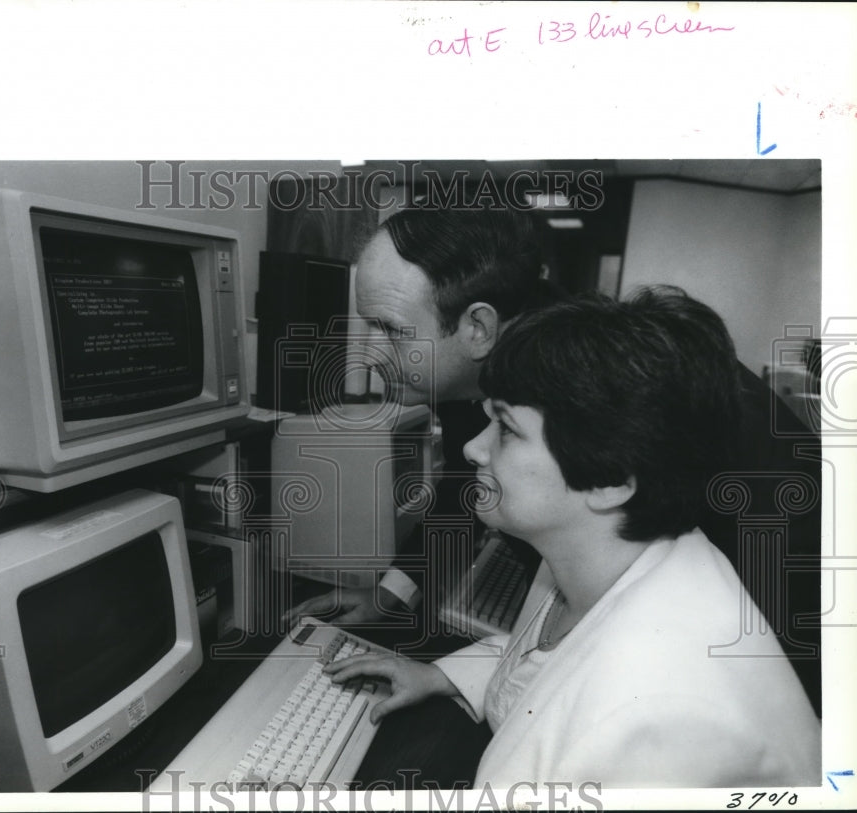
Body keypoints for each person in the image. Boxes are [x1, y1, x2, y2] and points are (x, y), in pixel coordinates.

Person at [325, 287, 822, 787]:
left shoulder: (654, 720)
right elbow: (553, 660)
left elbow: (591, 693)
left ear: (608, 478)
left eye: (506, 428)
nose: (474, 449)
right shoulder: (604, 548)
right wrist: (440, 676)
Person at [286, 206, 557, 630]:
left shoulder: (573, 400)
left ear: (479, 328)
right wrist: (388, 594)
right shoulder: (459, 376)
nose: (370, 355)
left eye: (391, 329)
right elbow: (464, 493)